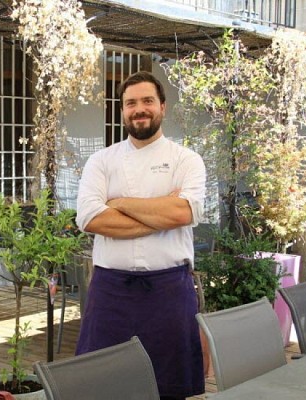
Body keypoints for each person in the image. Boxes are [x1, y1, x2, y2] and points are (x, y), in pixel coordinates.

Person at [75, 71, 207, 400]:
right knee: (99, 382)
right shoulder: (101, 161)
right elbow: (90, 218)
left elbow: (183, 213)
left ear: (162, 107)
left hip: (169, 290)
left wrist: (117, 203)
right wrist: (163, 212)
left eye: (147, 101)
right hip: (110, 291)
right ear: (122, 111)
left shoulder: (186, 160)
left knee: (172, 386)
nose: (139, 109)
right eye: (130, 103)